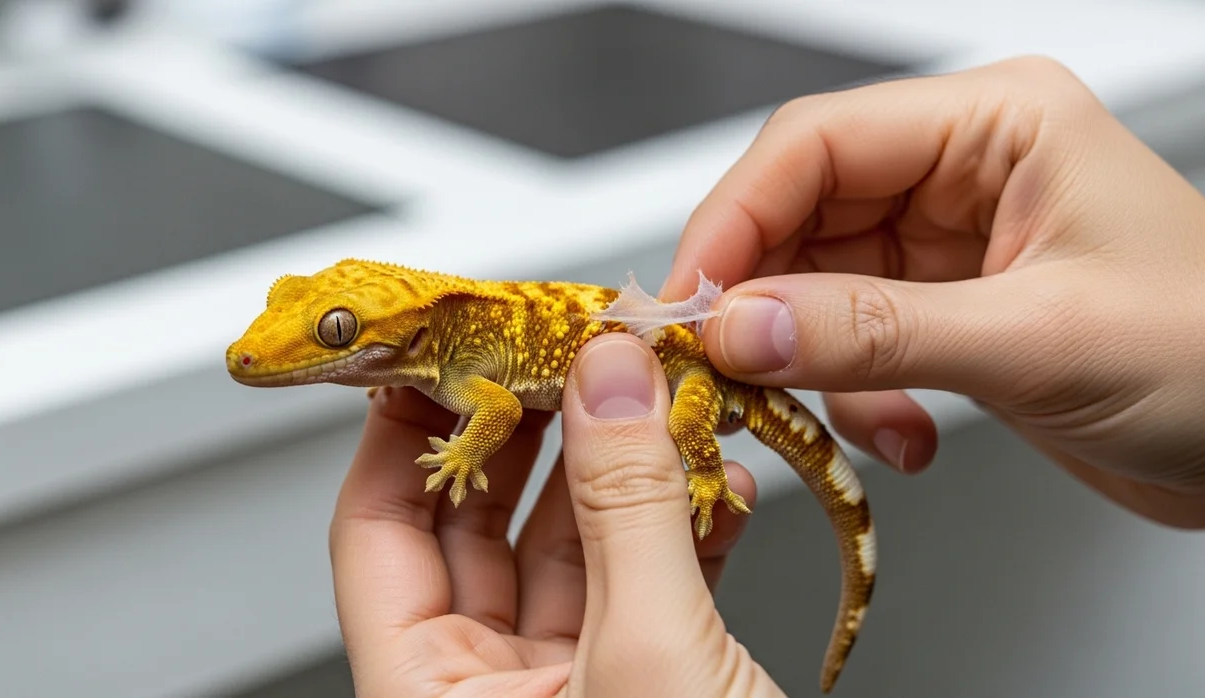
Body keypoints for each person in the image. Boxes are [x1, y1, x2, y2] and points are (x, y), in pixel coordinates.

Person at [327, 57, 1205, 696]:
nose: (274, 357)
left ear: (398, 327)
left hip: (701, 379)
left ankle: (743, 500)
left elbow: (489, 413)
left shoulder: (463, 376)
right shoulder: (436, 356)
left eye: (333, 333)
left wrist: (692, 467)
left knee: (695, 431)